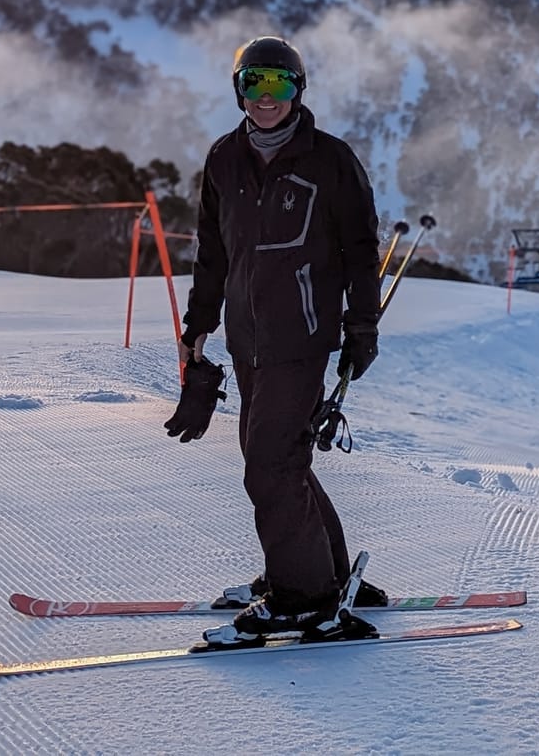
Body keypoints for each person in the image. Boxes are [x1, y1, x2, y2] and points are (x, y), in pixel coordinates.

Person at [162, 35, 385, 642]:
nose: (267, 97)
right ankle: (324, 571)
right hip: (247, 338)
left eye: (279, 83)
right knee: (278, 456)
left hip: (302, 334)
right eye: (254, 83)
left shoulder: (330, 160)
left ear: (299, 89)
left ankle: (303, 597)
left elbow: (361, 250)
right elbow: (214, 252)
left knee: (271, 462)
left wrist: (362, 325)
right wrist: (198, 326)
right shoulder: (224, 159)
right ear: (238, 89)